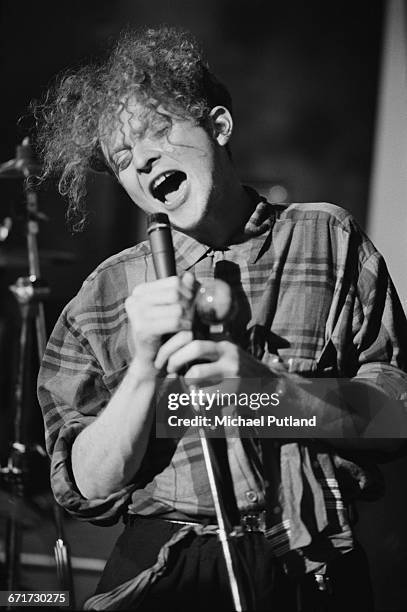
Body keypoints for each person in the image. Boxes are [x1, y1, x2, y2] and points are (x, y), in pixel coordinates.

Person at [35, 26, 407, 611]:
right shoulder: (104, 293)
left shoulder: (326, 238)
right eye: (123, 159)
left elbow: (394, 418)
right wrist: (145, 369)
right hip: (166, 564)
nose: (143, 162)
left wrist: (265, 393)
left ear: (219, 127)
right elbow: (86, 485)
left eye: (158, 131)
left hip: (308, 558)